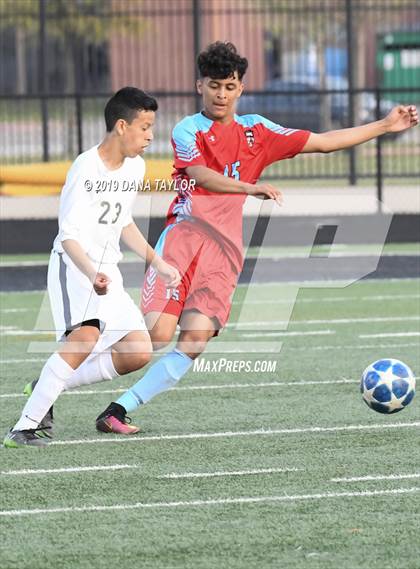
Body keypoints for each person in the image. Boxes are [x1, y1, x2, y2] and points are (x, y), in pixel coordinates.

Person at [89, 43, 420, 434]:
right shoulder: (187, 129)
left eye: (229, 86)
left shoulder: (257, 131)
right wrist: (249, 187)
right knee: (157, 337)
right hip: (183, 242)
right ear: (200, 85)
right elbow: (200, 176)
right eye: (214, 85)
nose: (221, 95)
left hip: (224, 256)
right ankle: (63, 374)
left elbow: (323, 141)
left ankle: (119, 410)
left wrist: (384, 125)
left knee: (194, 341)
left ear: (241, 88)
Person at [3, 87, 180, 447]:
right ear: (120, 126)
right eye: (145, 127)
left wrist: (157, 262)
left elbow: (123, 221)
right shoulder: (86, 167)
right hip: (74, 266)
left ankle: (47, 385)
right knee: (84, 339)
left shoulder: (136, 166)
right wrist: (90, 273)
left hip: (106, 273)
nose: (150, 136)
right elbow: (68, 236)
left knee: (138, 350)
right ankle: (23, 428)